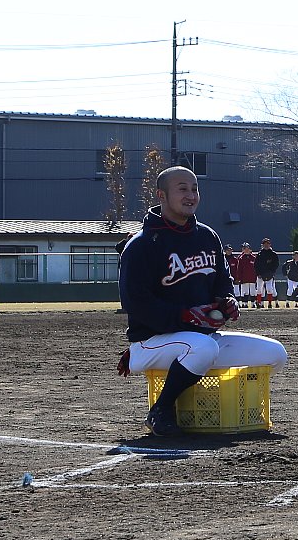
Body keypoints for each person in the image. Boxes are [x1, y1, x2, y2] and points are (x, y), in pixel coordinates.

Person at [117, 166, 287, 436]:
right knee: (203, 348)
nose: (191, 195)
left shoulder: (207, 236)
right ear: (161, 195)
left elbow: (223, 282)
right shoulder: (142, 245)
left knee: (275, 354)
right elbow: (135, 303)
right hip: (151, 342)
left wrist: (227, 301)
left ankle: (204, 403)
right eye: (182, 188)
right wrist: (185, 315)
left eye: (195, 188)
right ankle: (160, 410)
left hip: (200, 340)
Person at [255, 238, 280, 309]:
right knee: (259, 289)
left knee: (269, 289)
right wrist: (258, 273)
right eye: (264, 244)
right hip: (260, 274)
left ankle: (269, 303)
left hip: (269, 274)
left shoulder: (273, 254)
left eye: (267, 244)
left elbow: (276, 264)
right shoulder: (259, 254)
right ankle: (259, 303)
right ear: (262, 245)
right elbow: (256, 265)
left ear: (270, 245)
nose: (266, 245)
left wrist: (272, 272)